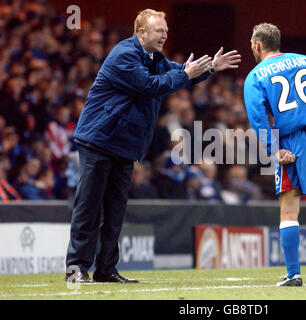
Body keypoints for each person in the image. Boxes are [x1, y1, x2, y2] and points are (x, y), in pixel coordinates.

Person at [65, 9, 241, 283]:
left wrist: (210, 68)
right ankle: (76, 267)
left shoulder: (154, 58)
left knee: (115, 211)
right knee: (89, 206)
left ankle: (106, 269)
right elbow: (148, 85)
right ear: (142, 32)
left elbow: (180, 72)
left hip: (123, 144)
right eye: (159, 30)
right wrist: (187, 74)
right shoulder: (124, 55)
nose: (165, 35)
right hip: (99, 139)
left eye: (166, 30)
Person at [243, 23, 306, 286]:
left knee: (289, 211)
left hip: (292, 140)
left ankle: (293, 274)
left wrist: (274, 149)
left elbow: (257, 117)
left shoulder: (256, 75)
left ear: (257, 45)